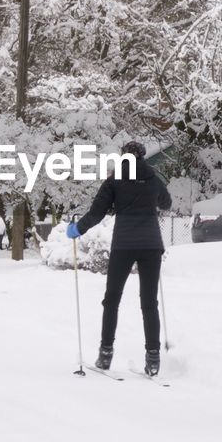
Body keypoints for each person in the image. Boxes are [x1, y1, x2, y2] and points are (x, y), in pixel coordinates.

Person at [68, 141, 172, 376]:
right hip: (151, 245)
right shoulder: (153, 178)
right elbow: (166, 203)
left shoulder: (115, 180)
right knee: (149, 302)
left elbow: (97, 212)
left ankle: (105, 355)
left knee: (112, 299)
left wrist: (78, 229)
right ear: (143, 156)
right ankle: (153, 358)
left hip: (124, 245)